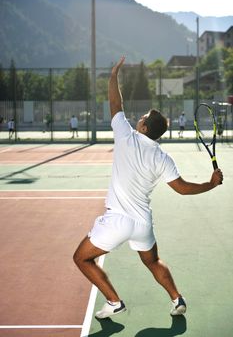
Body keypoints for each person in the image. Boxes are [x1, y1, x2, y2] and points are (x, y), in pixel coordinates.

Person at [73, 57, 223, 319]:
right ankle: (177, 299)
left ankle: (114, 301)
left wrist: (113, 75)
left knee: (81, 258)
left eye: (141, 118)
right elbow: (182, 188)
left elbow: (115, 103)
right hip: (142, 222)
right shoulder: (162, 157)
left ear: (142, 127)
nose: (138, 119)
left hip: (117, 220)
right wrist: (210, 184)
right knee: (152, 261)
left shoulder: (125, 135)